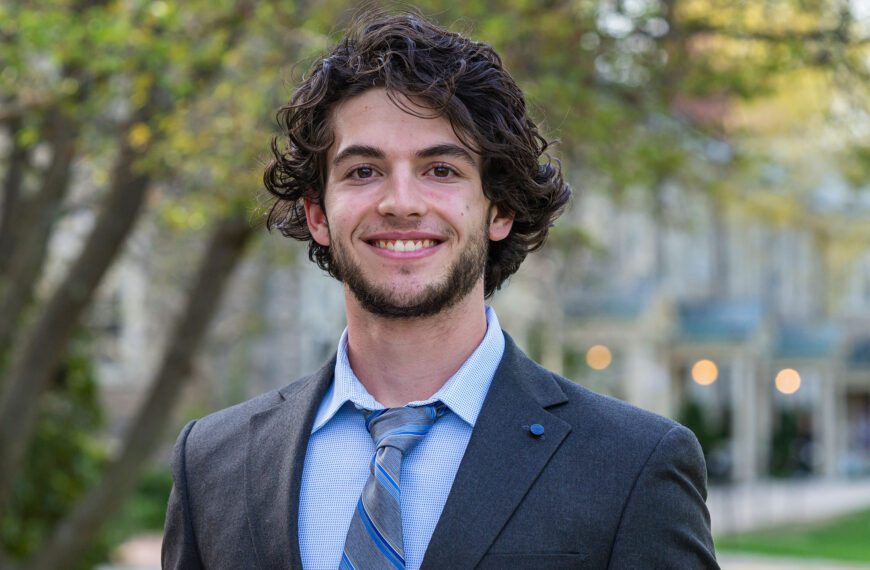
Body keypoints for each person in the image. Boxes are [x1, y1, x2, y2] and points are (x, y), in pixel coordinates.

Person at [162, 11, 718, 570]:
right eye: (362, 172)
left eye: (441, 171)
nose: (401, 202)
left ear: (498, 208)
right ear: (317, 215)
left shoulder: (631, 465)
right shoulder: (212, 461)